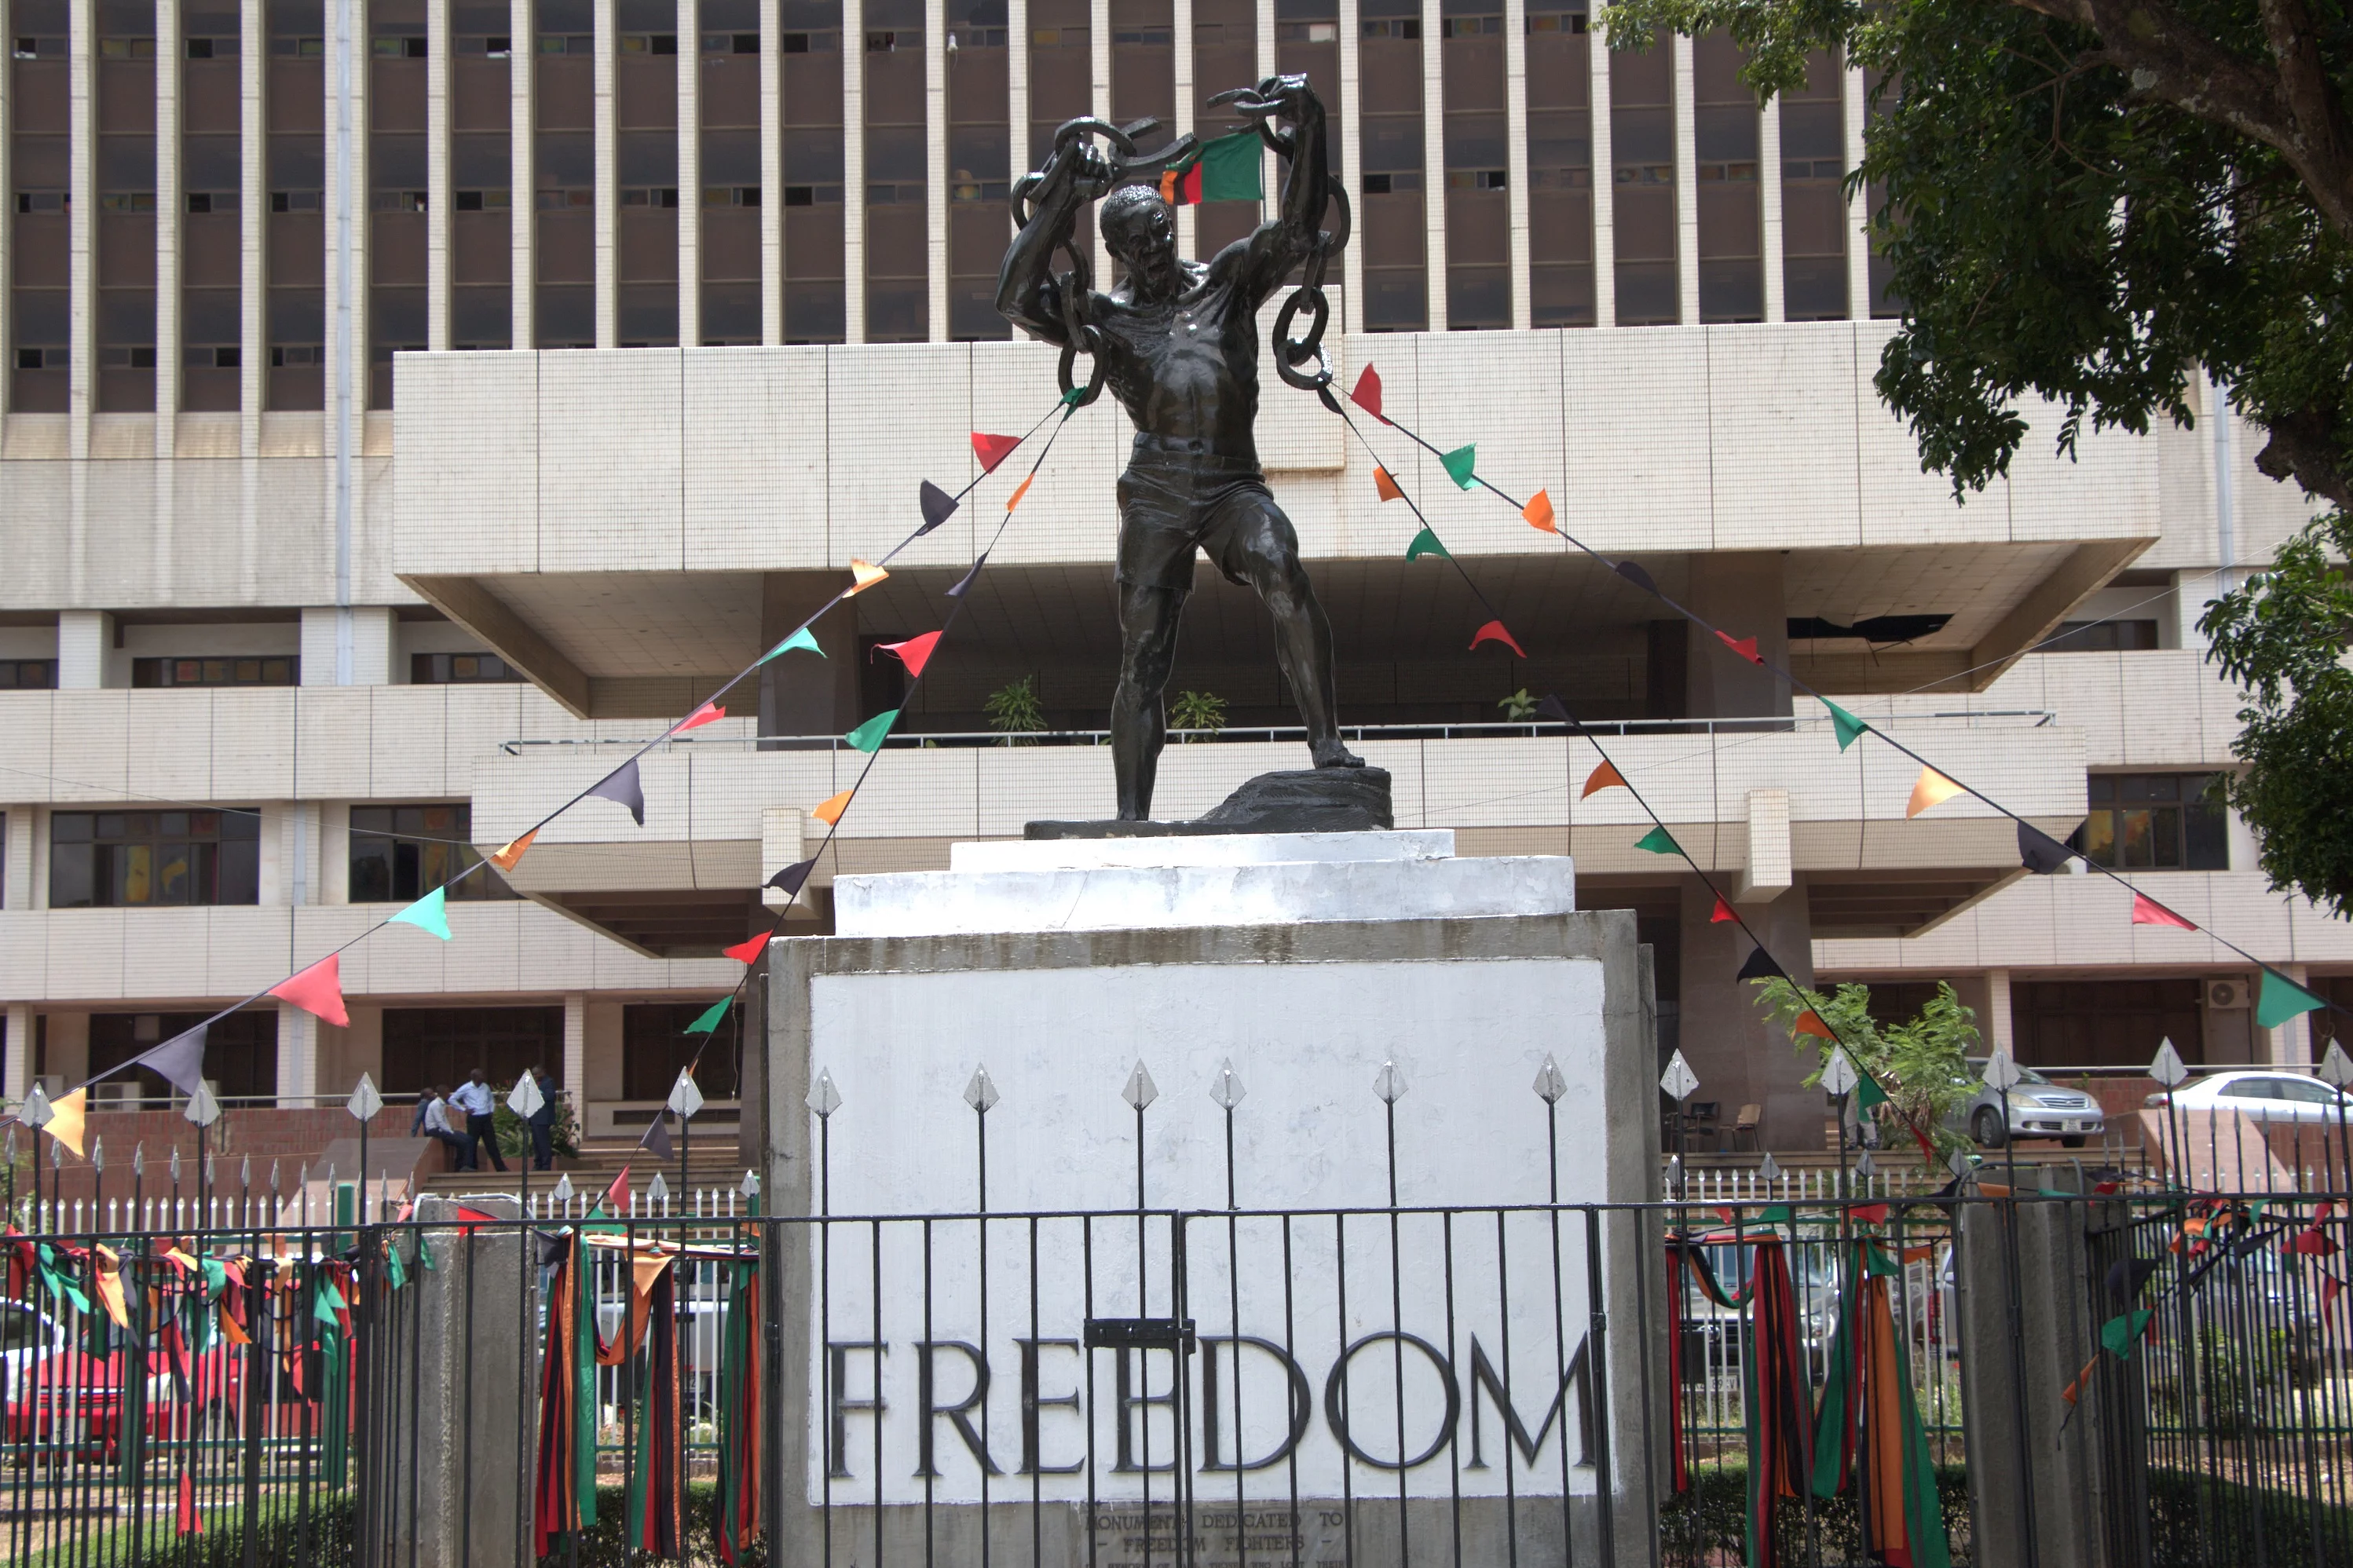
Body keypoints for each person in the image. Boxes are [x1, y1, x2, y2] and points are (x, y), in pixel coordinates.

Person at [996, 74, 1364, 820]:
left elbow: (1295, 233)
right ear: (1117, 249)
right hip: (1159, 488)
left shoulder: (1226, 282)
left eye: (1162, 234)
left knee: (1282, 567)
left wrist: (1310, 124)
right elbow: (1014, 297)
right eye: (1138, 244)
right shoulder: (1108, 317)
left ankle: (1327, 745)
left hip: (1232, 484)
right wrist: (1064, 193)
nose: (1155, 250)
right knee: (1143, 655)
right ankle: (1133, 815)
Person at [449, 1068, 507, 1174]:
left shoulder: (485, 1087)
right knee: (472, 1143)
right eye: (481, 1075)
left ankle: (501, 1168)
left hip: (486, 1118)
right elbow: (452, 1099)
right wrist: (464, 1109)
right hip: (474, 1118)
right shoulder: (466, 1088)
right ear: (475, 1077)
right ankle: (470, 1166)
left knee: (491, 1144)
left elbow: (490, 1099)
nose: (483, 1077)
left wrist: (491, 1111)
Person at [419, 1087, 467, 1167]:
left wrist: (450, 1129)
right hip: (434, 1131)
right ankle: (459, 1167)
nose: (450, 1095)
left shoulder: (441, 1104)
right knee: (461, 1142)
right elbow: (440, 1121)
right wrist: (450, 1132)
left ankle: (466, 1165)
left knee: (466, 1138)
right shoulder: (436, 1105)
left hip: (441, 1129)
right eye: (448, 1093)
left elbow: (444, 1119)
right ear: (444, 1094)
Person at [526, 1065, 558, 1171]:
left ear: (542, 1072)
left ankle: (545, 1165)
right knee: (536, 1143)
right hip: (534, 1117)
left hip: (543, 1118)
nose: (535, 1076)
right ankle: (538, 1164)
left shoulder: (548, 1082)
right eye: (533, 1074)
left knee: (543, 1142)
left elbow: (550, 1096)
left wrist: (538, 1094)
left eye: (536, 1074)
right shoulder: (533, 1083)